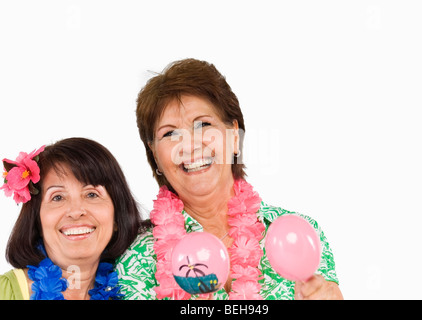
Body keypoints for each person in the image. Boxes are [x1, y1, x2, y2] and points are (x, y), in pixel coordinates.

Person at [116, 58, 343, 300]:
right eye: (170, 133)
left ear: (235, 136)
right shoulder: (135, 259)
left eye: (203, 124)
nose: (190, 145)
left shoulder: (298, 234)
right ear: (155, 154)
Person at [0, 137, 145, 300]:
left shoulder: (137, 291)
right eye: (57, 197)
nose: (76, 211)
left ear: (117, 217)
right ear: (38, 221)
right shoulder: (5, 292)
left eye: (92, 194)